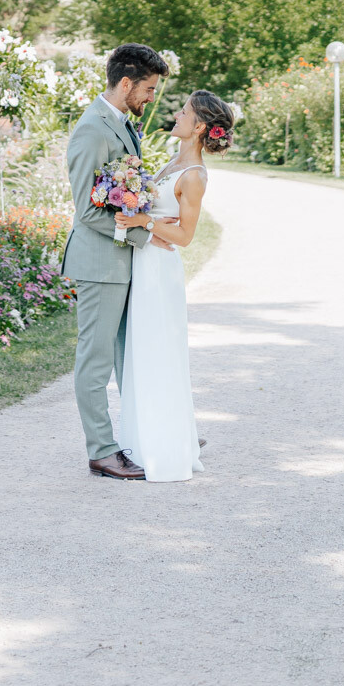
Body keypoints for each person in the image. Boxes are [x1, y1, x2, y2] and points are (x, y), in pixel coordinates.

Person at [113, 89, 233, 482]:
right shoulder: (173, 162)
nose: (176, 115)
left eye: (184, 112)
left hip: (160, 273)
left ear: (199, 127)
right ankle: (142, 440)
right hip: (145, 260)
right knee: (141, 353)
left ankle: (164, 448)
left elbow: (184, 237)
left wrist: (143, 224)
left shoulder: (194, 175)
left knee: (158, 353)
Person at [63, 43, 169, 480]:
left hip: (121, 262)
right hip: (99, 264)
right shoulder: (91, 129)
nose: (150, 97)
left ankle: (152, 432)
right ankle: (102, 450)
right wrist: (145, 234)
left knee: (132, 355)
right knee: (96, 360)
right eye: (147, 88)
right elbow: (88, 210)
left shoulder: (122, 122)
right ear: (125, 83)